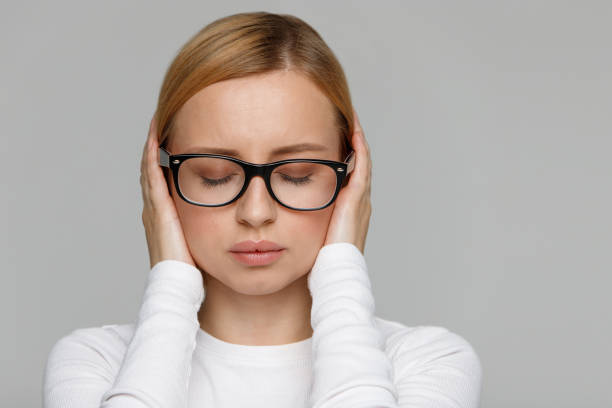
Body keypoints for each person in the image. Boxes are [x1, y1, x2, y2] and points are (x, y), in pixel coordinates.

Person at [43, 11, 482, 408]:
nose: (256, 212)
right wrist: (171, 284)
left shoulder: (427, 362)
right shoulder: (96, 364)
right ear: (160, 180)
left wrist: (343, 270)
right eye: (214, 175)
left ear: (351, 177)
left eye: (297, 174)